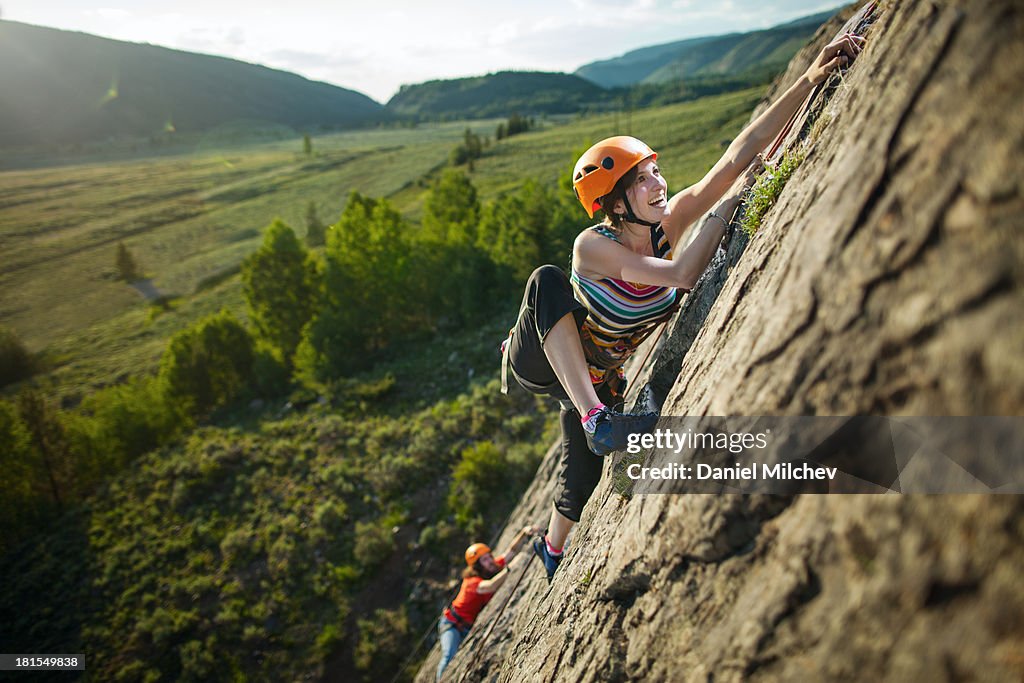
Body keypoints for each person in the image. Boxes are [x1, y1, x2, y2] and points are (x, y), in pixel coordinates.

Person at [498, 33, 865, 580]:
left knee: (583, 477)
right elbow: (681, 275)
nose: (659, 185)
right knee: (546, 280)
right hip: (540, 354)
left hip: (592, 367)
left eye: (655, 172)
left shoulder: (668, 224)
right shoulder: (595, 246)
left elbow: (739, 154)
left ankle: (550, 548)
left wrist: (809, 79)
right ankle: (596, 415)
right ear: (614, 204)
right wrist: (730, 205)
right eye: (641, 180)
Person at [436, 526, 539, 681]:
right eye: (484, 560)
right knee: (449, 654)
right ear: (477, 566)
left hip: (467, 626)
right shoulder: (471, 582)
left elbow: (510, 552)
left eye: (489, 557)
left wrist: (524, 533)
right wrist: (510, 569)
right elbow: (490, 586)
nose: (490, 561)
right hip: (452, 624)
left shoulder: (490, 568)